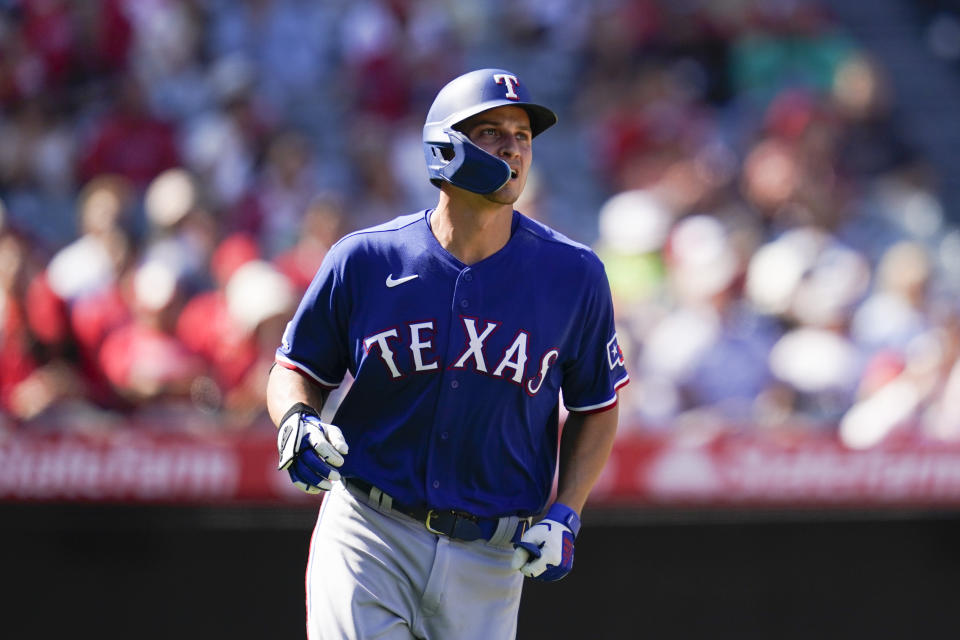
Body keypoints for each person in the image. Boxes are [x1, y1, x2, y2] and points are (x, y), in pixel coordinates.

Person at [266, 68, 629, 639]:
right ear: (443, 148)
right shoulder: (366, 258)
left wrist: (568, 510)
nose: (512, 146)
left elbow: (597, 405)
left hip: (490, 555)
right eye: (491, 132)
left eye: (523, 135)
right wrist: (296, 419)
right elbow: (295, 368)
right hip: (370, 529)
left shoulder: (574, 274)